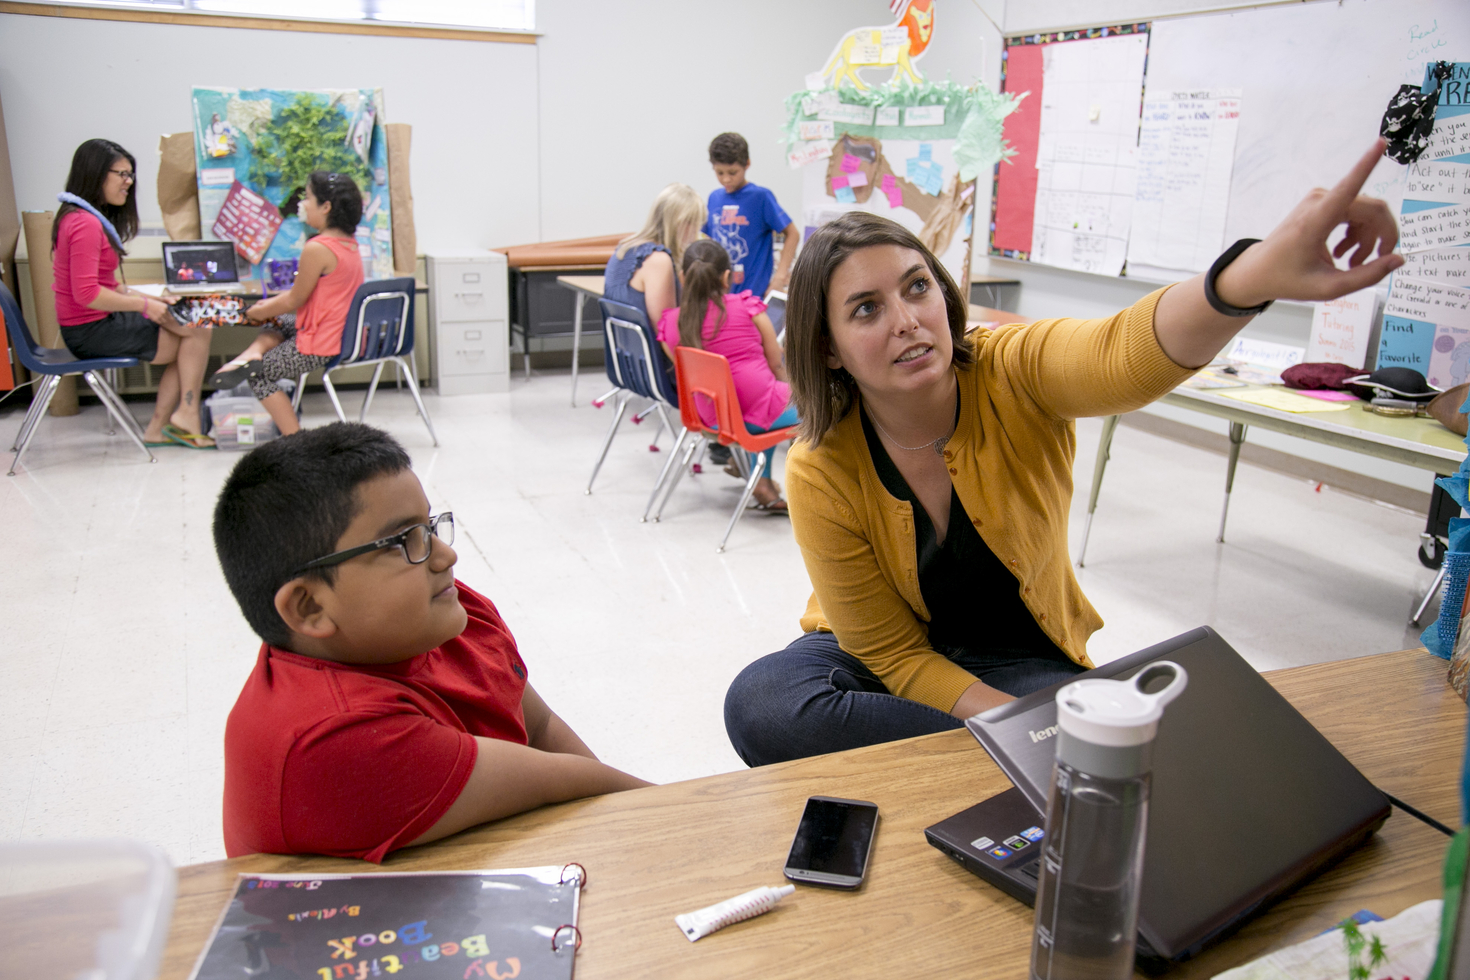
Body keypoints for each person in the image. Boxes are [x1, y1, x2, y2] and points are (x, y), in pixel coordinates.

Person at [723, 140, 1405, 767]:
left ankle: (982, 767)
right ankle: (1026, 759)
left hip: (1015, 654)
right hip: (876, 657)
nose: (907, 320)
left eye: (917, 285)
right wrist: (1021, 730)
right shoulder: (821, 463)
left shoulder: (1011, 370)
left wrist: (1249, 277)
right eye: (866, 309)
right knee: (762, 702)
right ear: (827, 348)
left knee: (1097, 749)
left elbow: (1121, 353)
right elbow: (893, 654)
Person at [215, 422, 651, 861]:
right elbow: (565, 780)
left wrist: (650, 820)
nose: (446, 556)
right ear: (309, 606)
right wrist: (688, 818)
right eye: (403, 541)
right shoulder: (332, 736)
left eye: (430, 527)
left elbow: (539, 728)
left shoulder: (446, 618)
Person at [51, 138, 216, 448]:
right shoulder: (84, 224)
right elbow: (87, 294)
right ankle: (182, 417)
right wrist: (144, 305)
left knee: (194, 331)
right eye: (122, 174)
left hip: (92, 323)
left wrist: (152, 300)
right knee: (195, 332)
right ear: (96, 173)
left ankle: (169, 422)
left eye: (131, 175)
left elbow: (106, 285)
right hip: (89, 329)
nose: (128, 183)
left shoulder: (79, 217)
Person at [210, 171, 365, 436]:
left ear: (326, 207)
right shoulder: (349, 244)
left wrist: (258, 311)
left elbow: (295, 298)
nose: (303, 204)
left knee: (260, 374)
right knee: (277, 322)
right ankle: (250, 354)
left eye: (308, 197)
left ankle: (296, 440)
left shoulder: (318, 247)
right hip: (340, 332)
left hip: (323, 342)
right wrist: (265, 313)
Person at [656, 240, 795, 512]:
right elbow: (777, 365)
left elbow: (689, 370)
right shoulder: (748, 308)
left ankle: (761, 482)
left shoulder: (671, 323)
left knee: (764, 400)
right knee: (829, 407)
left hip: (709, 417)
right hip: (747, 419)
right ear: (727, 277)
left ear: (683, 277)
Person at [706, 132, 799, 299]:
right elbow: (707, 239)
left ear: (747, 164)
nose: (726, 179)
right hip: (721, 297)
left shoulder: (760, 197)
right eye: (720, 173)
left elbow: (793, 234)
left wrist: (779, 278)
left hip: (753, 296)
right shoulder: (714, 198)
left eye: (732, 172)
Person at [604, 182, 706, 329]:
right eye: (697, 224)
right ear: (684, 223)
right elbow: (666, 332)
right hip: (654, 351)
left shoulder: (624, 249)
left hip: (624, 350)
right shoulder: (658, 260)